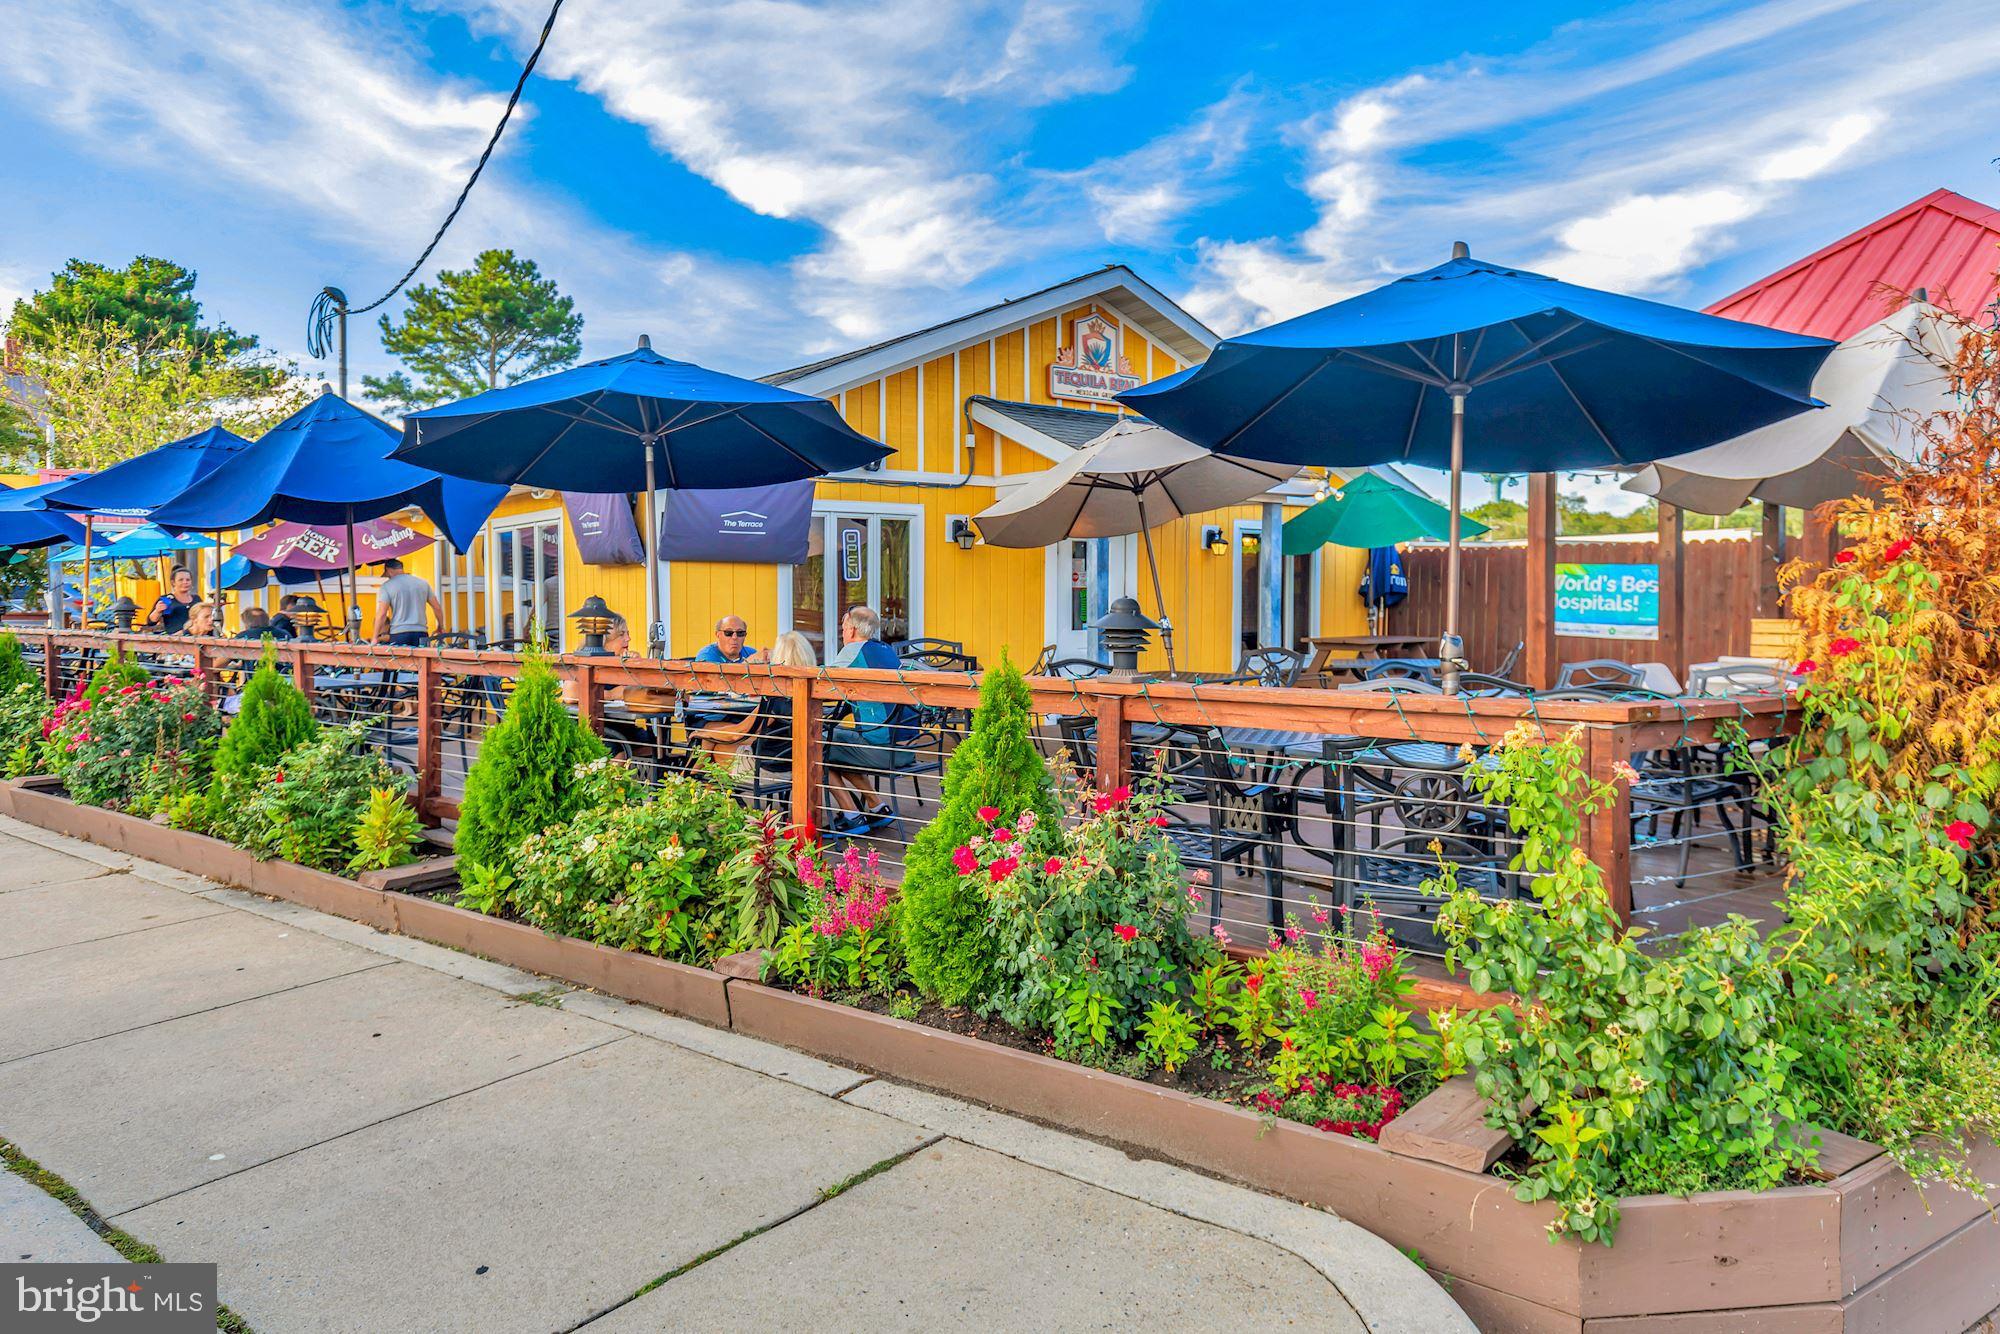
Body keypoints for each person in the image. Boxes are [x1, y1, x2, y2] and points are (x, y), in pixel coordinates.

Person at [822, 605, 908, 834]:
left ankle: (851, 816)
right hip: (906, 747)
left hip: (880, 748)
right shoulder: (885, 649)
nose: (842, 633)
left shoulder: (853, 650)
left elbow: (821, 682)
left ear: (850, 630)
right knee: (833, 743)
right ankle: (876, 806)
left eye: (842, 628)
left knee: (815, 745)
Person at [373, 558, 444, 646]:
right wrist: (440, 627)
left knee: (401, 660)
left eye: (387, 575)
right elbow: (437, 607)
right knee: (422, 659)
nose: (388, 578)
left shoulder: (387, 586)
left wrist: (375, 637)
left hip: (399, 633)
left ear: (389, 570)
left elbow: (382, 613)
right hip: (421, 633)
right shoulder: (423, 583)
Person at [145, 566, 198, 634]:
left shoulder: (196, 599)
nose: (185, 582)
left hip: (196, 638)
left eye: (188, 580)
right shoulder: (166, 599)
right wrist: (157, 611)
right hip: (174, 639)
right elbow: (150, 622)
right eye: (181, 580)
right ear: (173, 582)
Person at [694, 615, 763, 665]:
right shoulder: (706, 655)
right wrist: (748, 662)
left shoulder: (751, 653)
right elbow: (713, 682)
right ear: (718, 635)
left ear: (745, 635)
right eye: (728, 633)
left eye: (740, 633)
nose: (734, 637)